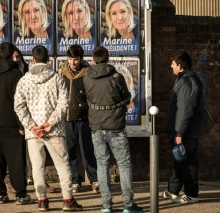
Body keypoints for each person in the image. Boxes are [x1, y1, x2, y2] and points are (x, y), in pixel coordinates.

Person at [14, 45, 83, 212]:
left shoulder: (24, 80)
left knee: (37, 166)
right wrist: (50, 123)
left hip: (34, 133)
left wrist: (31, 126)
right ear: (48, 60)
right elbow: (63, 103)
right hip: (55, 130)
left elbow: (18, 106)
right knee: (62, 165)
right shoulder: (56, 78)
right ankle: (68, 200)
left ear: (33, 60)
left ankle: (42, 200)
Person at [83, 46, 143, 213]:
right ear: (108, 59)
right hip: (115, 125)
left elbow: (86, 97)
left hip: (96, 126)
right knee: (123, 164)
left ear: (93, 60)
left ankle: (106, 205)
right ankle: (128, 205)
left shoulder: (87, 78)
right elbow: (126, 96)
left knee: (102, 165)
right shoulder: (117, 77)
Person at [0, 42, 33, 205]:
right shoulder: (16, 74)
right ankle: (21, 194)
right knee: (16, 159)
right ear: (11, 56)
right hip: (12, 123)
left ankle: (1, 193)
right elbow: (20, 102)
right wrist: (21, 125)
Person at [162, 51, 205, 204]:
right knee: (179, 160)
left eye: (173, 64)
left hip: (186, 132)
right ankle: (173, 190)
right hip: (182, 130)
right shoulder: (183, 80)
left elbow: (185, 110)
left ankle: (192, 194)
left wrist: (179, 133)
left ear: (180, 66)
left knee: (188, 162)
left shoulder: (187, 82)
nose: (171, 66)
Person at [58, 45, 99, 193]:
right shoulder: (61, 72)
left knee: (87, 150)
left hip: (84, 118)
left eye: (75, 60)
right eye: (70, 59)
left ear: (81, 59)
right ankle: (75, 180)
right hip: (67, 118)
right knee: (70, 151)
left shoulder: (88, 73)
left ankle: (94, 179)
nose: (72, 63)